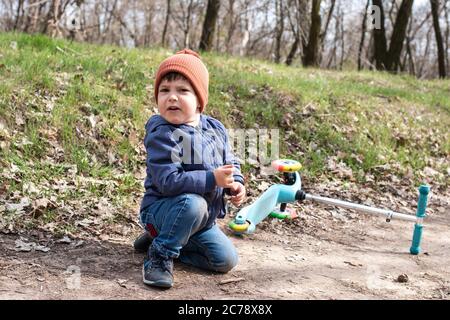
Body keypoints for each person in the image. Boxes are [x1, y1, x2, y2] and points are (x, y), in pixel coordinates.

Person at [135, 49, 246, 288]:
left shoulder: (215, 128)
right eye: (164, 91)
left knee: (225, 261)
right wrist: (211, 179)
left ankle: (163, 239)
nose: (172, 97)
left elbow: (230, 160)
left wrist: (235, 182)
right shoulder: (162, 134)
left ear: (199, 100)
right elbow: (168, 181)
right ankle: (160, 256)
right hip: (163, 208)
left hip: (201, 221)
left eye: (183, 90)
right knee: (193, 203)